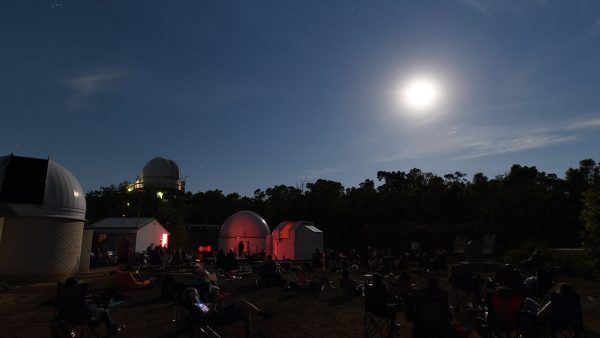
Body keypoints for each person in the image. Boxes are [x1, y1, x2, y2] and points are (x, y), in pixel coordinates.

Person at [182, 287, 269, 338]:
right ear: (189, 296)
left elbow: (209, 307)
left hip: (218, 312)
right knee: (244, 310)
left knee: (242, 302)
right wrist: (214, 304)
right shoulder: (193, 307)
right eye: (194, 293)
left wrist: (214, 303)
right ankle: (252, 330)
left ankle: (261, 315)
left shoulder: (199, 302)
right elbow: (206, 315)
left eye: (196, 293)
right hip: (215, 319)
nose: (197, 294)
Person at [405, 274, 452, 338]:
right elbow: (445, 311)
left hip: (422, 324)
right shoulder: (442, 294)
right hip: (436, 324)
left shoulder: (420, 293)